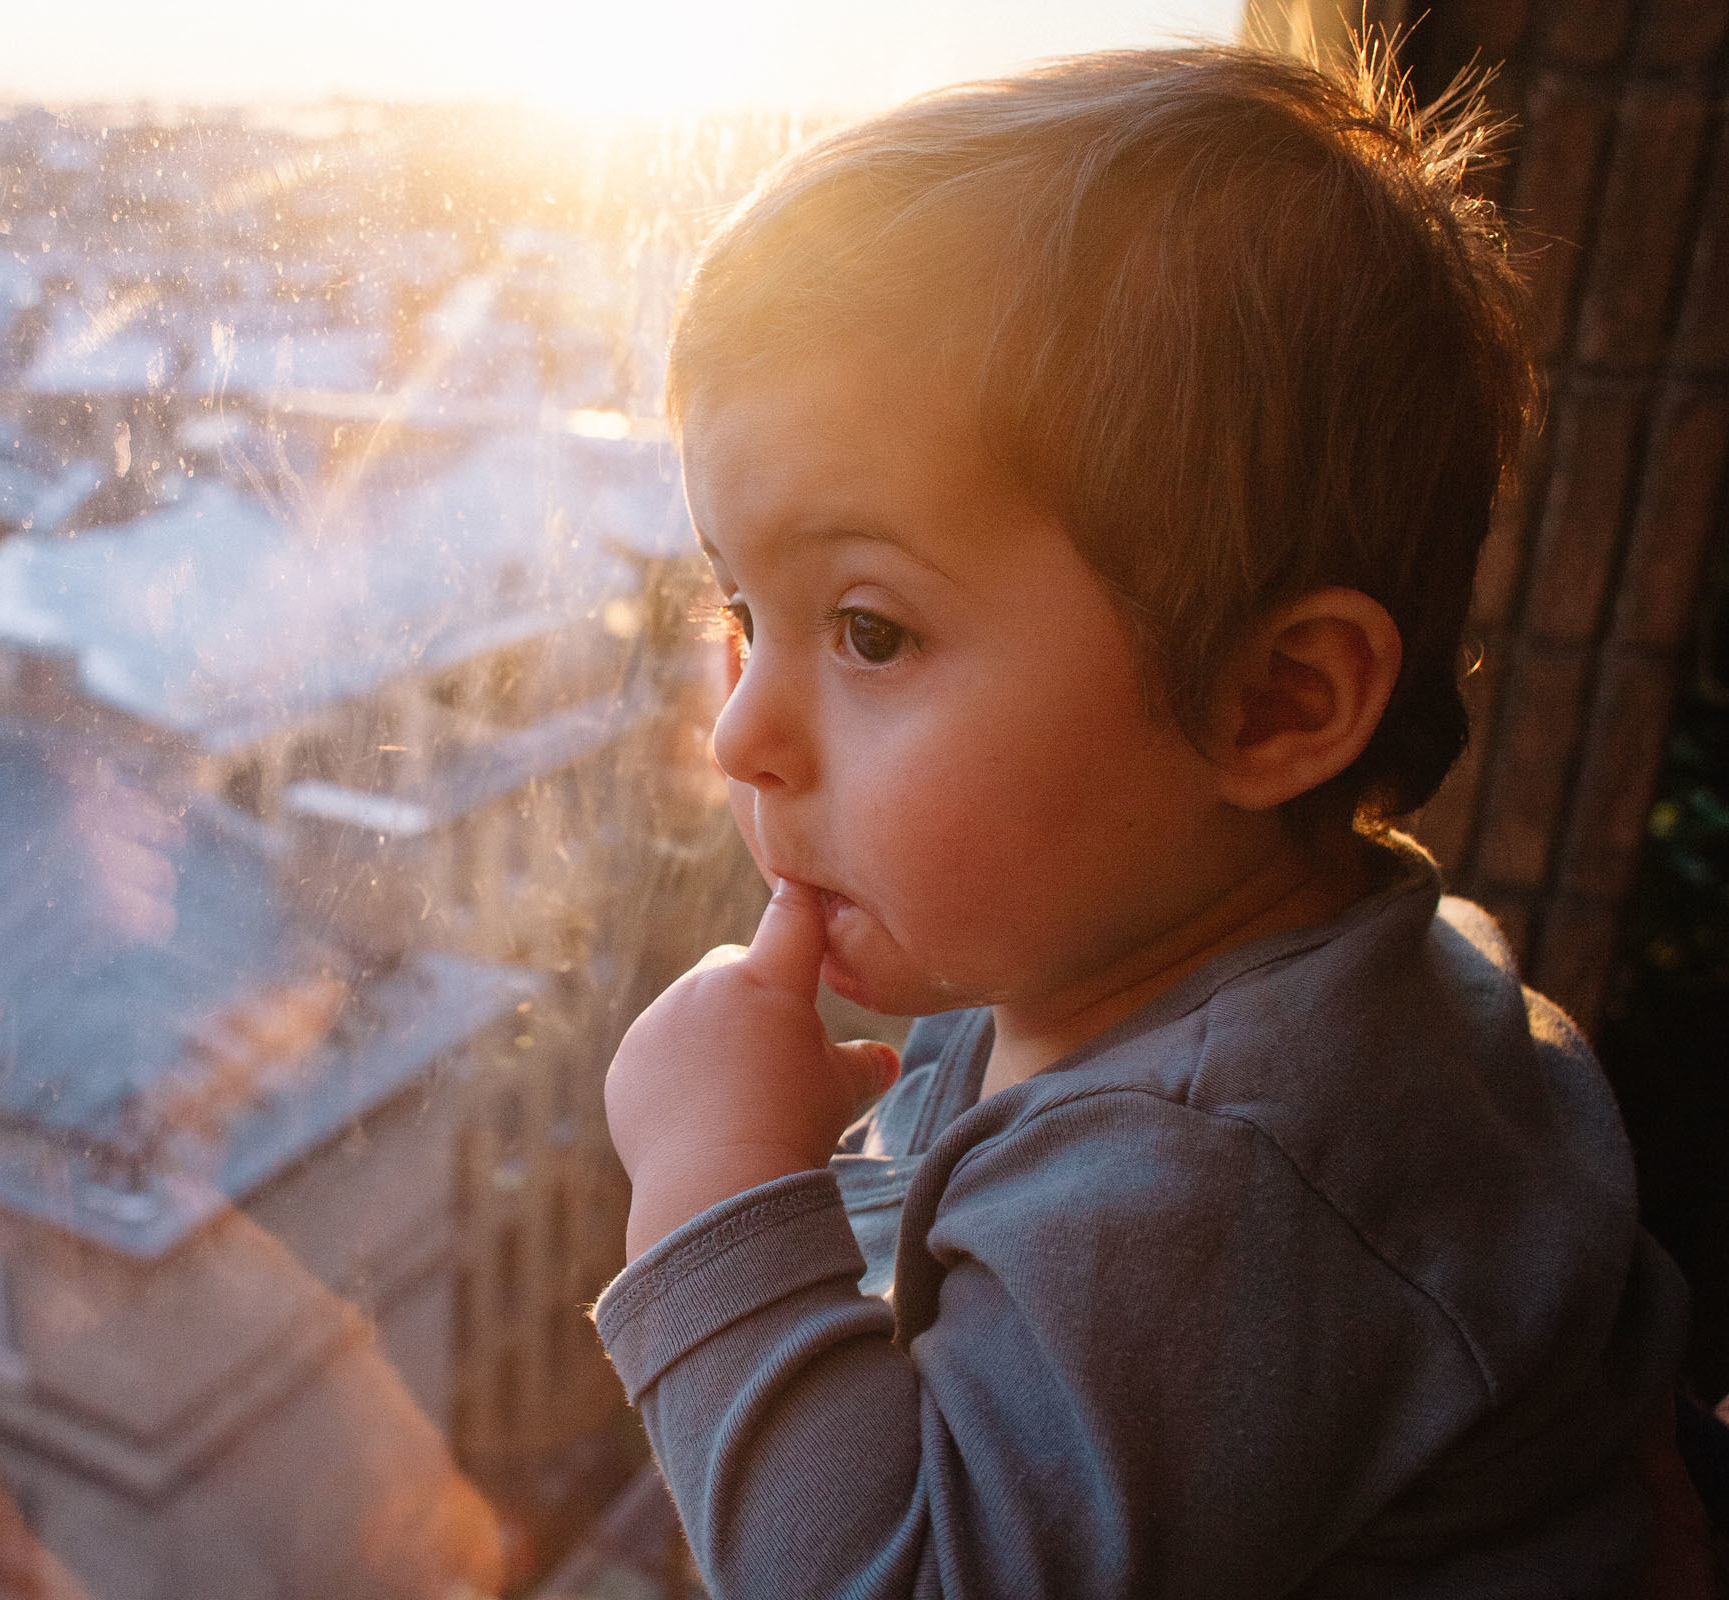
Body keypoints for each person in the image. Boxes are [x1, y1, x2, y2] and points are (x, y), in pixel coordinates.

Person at [594, 44, 1692, 1598]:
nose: (739, 732)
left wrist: (713, 1185)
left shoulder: (1228, 1175)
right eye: (737, 607)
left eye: (870, 629)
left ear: (1275, 704)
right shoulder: (1245, 981)